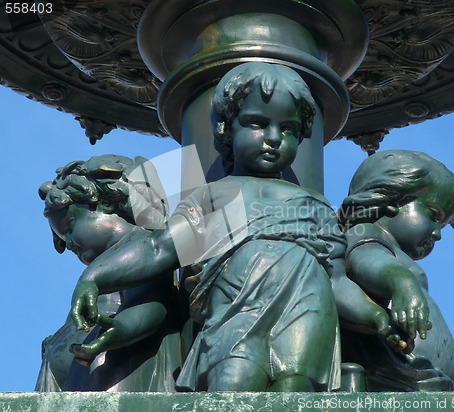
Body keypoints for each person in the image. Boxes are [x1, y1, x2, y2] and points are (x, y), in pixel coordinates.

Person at [69, 62, 392, 392]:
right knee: (232, 385)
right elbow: (160, 249)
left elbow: (336, 280)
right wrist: (94, 278)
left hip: (306, 315)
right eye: (258, 123)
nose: (273, 138)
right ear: (224, 126)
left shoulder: (314, 206)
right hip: (235, 319)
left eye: (289, 129)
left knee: (295, 393)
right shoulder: (216, 197)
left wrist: (376, 316)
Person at [36, 154, 180, 391]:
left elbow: (150, 304)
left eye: (70, 226)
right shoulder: (103, 267)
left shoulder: (140, 249)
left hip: (115, 373)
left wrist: (121, 329)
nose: (69, 243)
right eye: (63, 238)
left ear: (106, 202)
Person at [337, 149, 454, 391]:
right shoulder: (367, 233)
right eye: (433, 216)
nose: (438, 234)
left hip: (417, 380)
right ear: (393, 202)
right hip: (393, 375)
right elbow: (366, 259)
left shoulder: (392, 247)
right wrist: (402, 284)